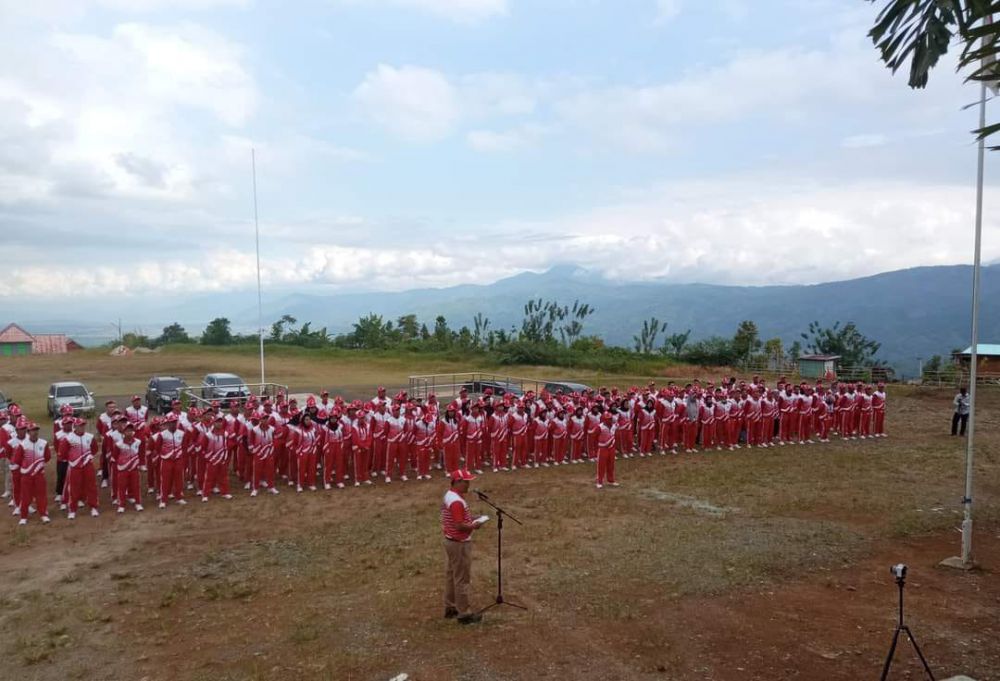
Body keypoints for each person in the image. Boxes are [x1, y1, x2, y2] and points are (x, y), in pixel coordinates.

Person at [441, 469, 487, 625]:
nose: (468, 484)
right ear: (458, 482)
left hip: (450, 541)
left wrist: (471, 518)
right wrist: (474, 525)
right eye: (466, 481)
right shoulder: (456, 502)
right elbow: (460, 525)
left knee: (451, 575)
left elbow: (458, 518)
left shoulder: (451, 496)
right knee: (462, 578)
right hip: (459, 543)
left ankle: (450, 607)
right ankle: (464, 613)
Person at [12, 422, 52, 524]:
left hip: (39, 474)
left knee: (41, 495)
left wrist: (38, 466)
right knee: (25, 495)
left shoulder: (43, 443)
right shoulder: (23, 445)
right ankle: (23, 516)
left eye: (36, 430)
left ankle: (43, 514)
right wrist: (27, 467)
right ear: (28, 432)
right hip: (26, 475)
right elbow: (17, 459)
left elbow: (47, 457)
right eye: (32, 430)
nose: (35, 432)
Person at [61, 418, 100, 519]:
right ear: (75, 426)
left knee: (91, 486)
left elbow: (95, 449)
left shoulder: (90, 437)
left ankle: (94, 507)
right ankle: (72, 509)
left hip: (88, 465)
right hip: (75, 467)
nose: (82, 427)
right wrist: (72, 461)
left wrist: (88, 457)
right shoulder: (69, 438)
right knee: (74, 488)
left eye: (83, 425)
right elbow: (63, 452)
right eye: (79, 426)